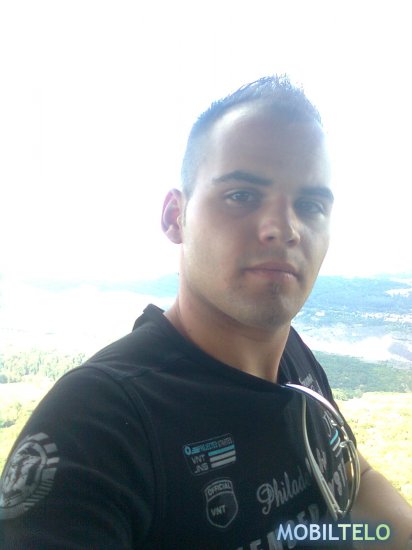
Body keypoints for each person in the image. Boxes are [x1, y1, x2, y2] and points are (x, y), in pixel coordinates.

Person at [0, 76, 411, 550]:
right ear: (175, 216)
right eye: (242, 195)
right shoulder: (97, 425)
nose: (285, 228)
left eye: (311, 204)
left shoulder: (294, 359)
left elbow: (350, 478)